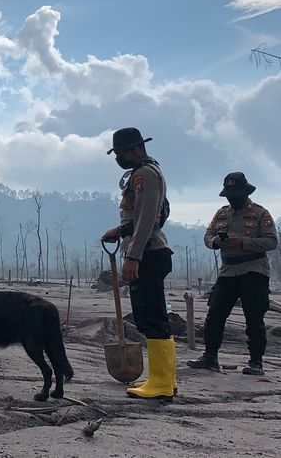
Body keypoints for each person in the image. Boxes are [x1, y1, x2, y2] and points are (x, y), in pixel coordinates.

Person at [101, 127, 175, 400]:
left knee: (151, 317)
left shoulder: (144, 174)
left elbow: (147, 220)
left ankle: (161, 383)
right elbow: (149, 215)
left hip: (148, 253)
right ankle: (165, 378)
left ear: (134, 149)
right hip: (149, 250)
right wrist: (120, 232)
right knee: (153, 316)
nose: (118, 158)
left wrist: (133, 256)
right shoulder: (149, 171)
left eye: (120, 153)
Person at [187, 173, 278, 376]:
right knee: (215, 313)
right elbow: (208, 236)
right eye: (229, 195)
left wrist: (244, 243)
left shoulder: (261, 214)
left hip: (253, 269)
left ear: (245, 193)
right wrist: (216, 242)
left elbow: (271, 241)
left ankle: (256, 363)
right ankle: (210, 357)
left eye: (235, 195)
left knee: (254, 317)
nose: (232, 199)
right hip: (228, 270)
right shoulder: (221, 214)